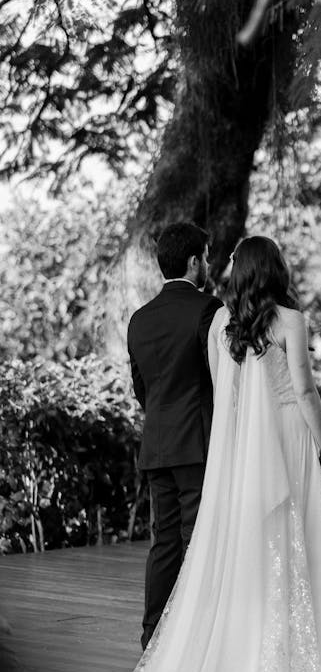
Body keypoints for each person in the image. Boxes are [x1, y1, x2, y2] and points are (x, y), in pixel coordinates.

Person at [84, 236, 321, 672]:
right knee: (294, 549)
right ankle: (304, 667)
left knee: (203, 548)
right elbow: (305, 394)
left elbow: (206, 394)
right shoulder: (286, 320)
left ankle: (190, 648)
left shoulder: (214, 326)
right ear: (276, 270)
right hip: (282, 440)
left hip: (224, 449)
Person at [128, 222, 223, 649]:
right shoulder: (209, 309)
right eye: (206, 255)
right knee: (200, 540)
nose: (208, 263)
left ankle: (152, 637)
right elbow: (221, 378)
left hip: (157, 445)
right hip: (199, 445)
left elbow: (142, 390)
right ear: (193, 261)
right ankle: (195, 641)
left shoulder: (140, 319)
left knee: (163, 542)